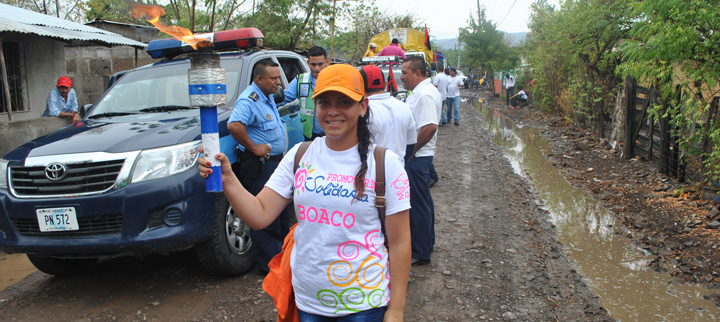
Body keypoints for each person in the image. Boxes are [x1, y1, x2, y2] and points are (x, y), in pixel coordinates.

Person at [198, 63, 412, 321]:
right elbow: (260, 214)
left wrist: (397, 308)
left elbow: (400, 242)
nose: (333, 112)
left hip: (365, 304)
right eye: (324, 103)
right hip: (308, 302)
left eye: (344, 102)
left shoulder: (386, 164)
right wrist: (228, 178)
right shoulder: (300, 155)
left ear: (362, 106)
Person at [227, 59, 290, 274]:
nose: (278, 82)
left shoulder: (267, 97)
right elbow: (234, 125)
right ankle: (270, 267)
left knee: (281, 214)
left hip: (275, 164)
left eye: (278, 77)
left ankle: (281, 259)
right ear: (259, 79)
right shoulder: (249, 100)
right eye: (273, 78)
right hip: (261, 165)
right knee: (266, 215)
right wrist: (253, 148)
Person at [400, 55, 441, 266]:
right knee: (424, 201)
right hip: (420, 156)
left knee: (417, 204)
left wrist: (412, 151)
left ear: (417, 73)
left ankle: (420, 251)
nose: (401, 77)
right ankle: (427, 243)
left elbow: (430, 126)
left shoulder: (424, 94)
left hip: (418, 156)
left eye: (405, 73)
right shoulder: (422, 91)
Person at [360, 64, 417, 161]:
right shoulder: (404, 107)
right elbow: (411, 144)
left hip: (370, 172)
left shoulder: (362, 110)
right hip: (398, 171)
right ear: (386, 83)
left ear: (360, 86)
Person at [282, 46, 329, 141]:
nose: (317, 68)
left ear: (327, 62)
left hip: (331, 134)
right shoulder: (300, 80)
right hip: (310, 135)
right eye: (313, 64)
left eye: (320, 64)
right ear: (308, 63)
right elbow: (284, 98)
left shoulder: (335, 80)